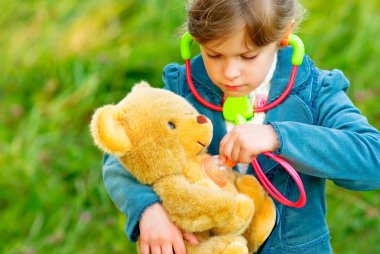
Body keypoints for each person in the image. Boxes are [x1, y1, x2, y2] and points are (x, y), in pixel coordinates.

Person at [102, 0, 380, 253]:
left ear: (284, 35)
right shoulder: (181, 88)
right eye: (214, 54)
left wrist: (278, 137)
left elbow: (372, 160)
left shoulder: (315, 91)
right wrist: (147, 208)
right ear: (195, 40)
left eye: (248, 57)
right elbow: (121, 153)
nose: (229, 73)